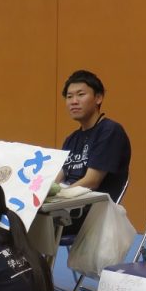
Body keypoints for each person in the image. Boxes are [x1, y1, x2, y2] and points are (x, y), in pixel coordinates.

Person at [56, 70, 131, 234]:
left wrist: (57, 198)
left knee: (23, 227)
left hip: (91, 213)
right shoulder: (71, 139)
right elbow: (57, 179)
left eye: (80, 95)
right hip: (64, 207)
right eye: (69, 97)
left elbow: (92, 181)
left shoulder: (110, 131)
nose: (74, 101)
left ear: (98, 98)